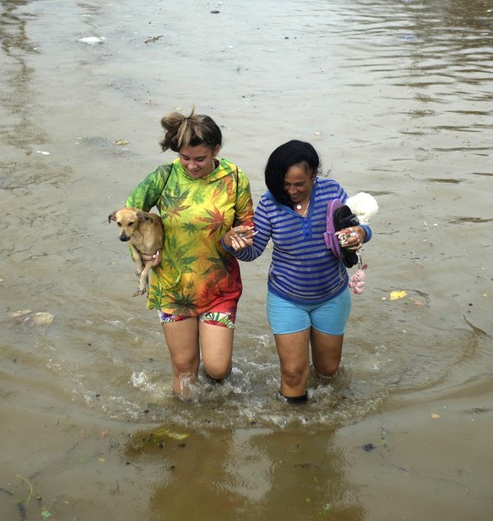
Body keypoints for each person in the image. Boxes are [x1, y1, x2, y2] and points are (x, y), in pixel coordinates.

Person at [125, 110, 254, 398]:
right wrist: (142, 253)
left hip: (219, 285)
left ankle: (217, 410)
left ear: (216, 150)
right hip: (173, 286)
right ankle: (185, 430)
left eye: (200, 159)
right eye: (185, 158)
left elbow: (247, 223)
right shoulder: (164, 176)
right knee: (184, 369)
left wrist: (238, 238)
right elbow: (128, 215)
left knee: (218, 369)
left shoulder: (234, 177)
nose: (191, 166)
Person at [233, 140, 372, 404]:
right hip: (287, 298)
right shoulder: (269, 203)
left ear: (314, 175)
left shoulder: (332, 192)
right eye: (285, 184)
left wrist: (361, 233)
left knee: (328, 370)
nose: (292, 191)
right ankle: (294, 432)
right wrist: (233, 243)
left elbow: (357, 226)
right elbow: (252, 251)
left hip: (332, 294)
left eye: (300, 184)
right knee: (294, 373)